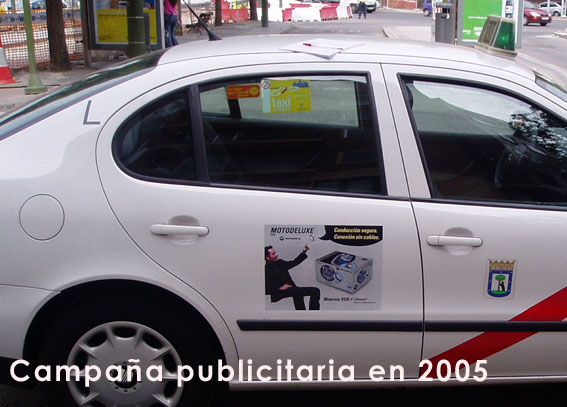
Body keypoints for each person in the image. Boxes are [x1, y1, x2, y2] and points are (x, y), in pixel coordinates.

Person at [265, 244, 321, 311]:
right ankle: (309, 314)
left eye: (275, 252)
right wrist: (280, 288)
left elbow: (293, 263)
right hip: (279, 292)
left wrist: (304, 251)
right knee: (314, 291)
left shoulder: (280, 262)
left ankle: (307, 315)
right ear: (268, 258)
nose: (276, 254)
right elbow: (266, 288)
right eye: (273, 254)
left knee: (301, 292)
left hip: (291, 288)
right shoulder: (267, 269)